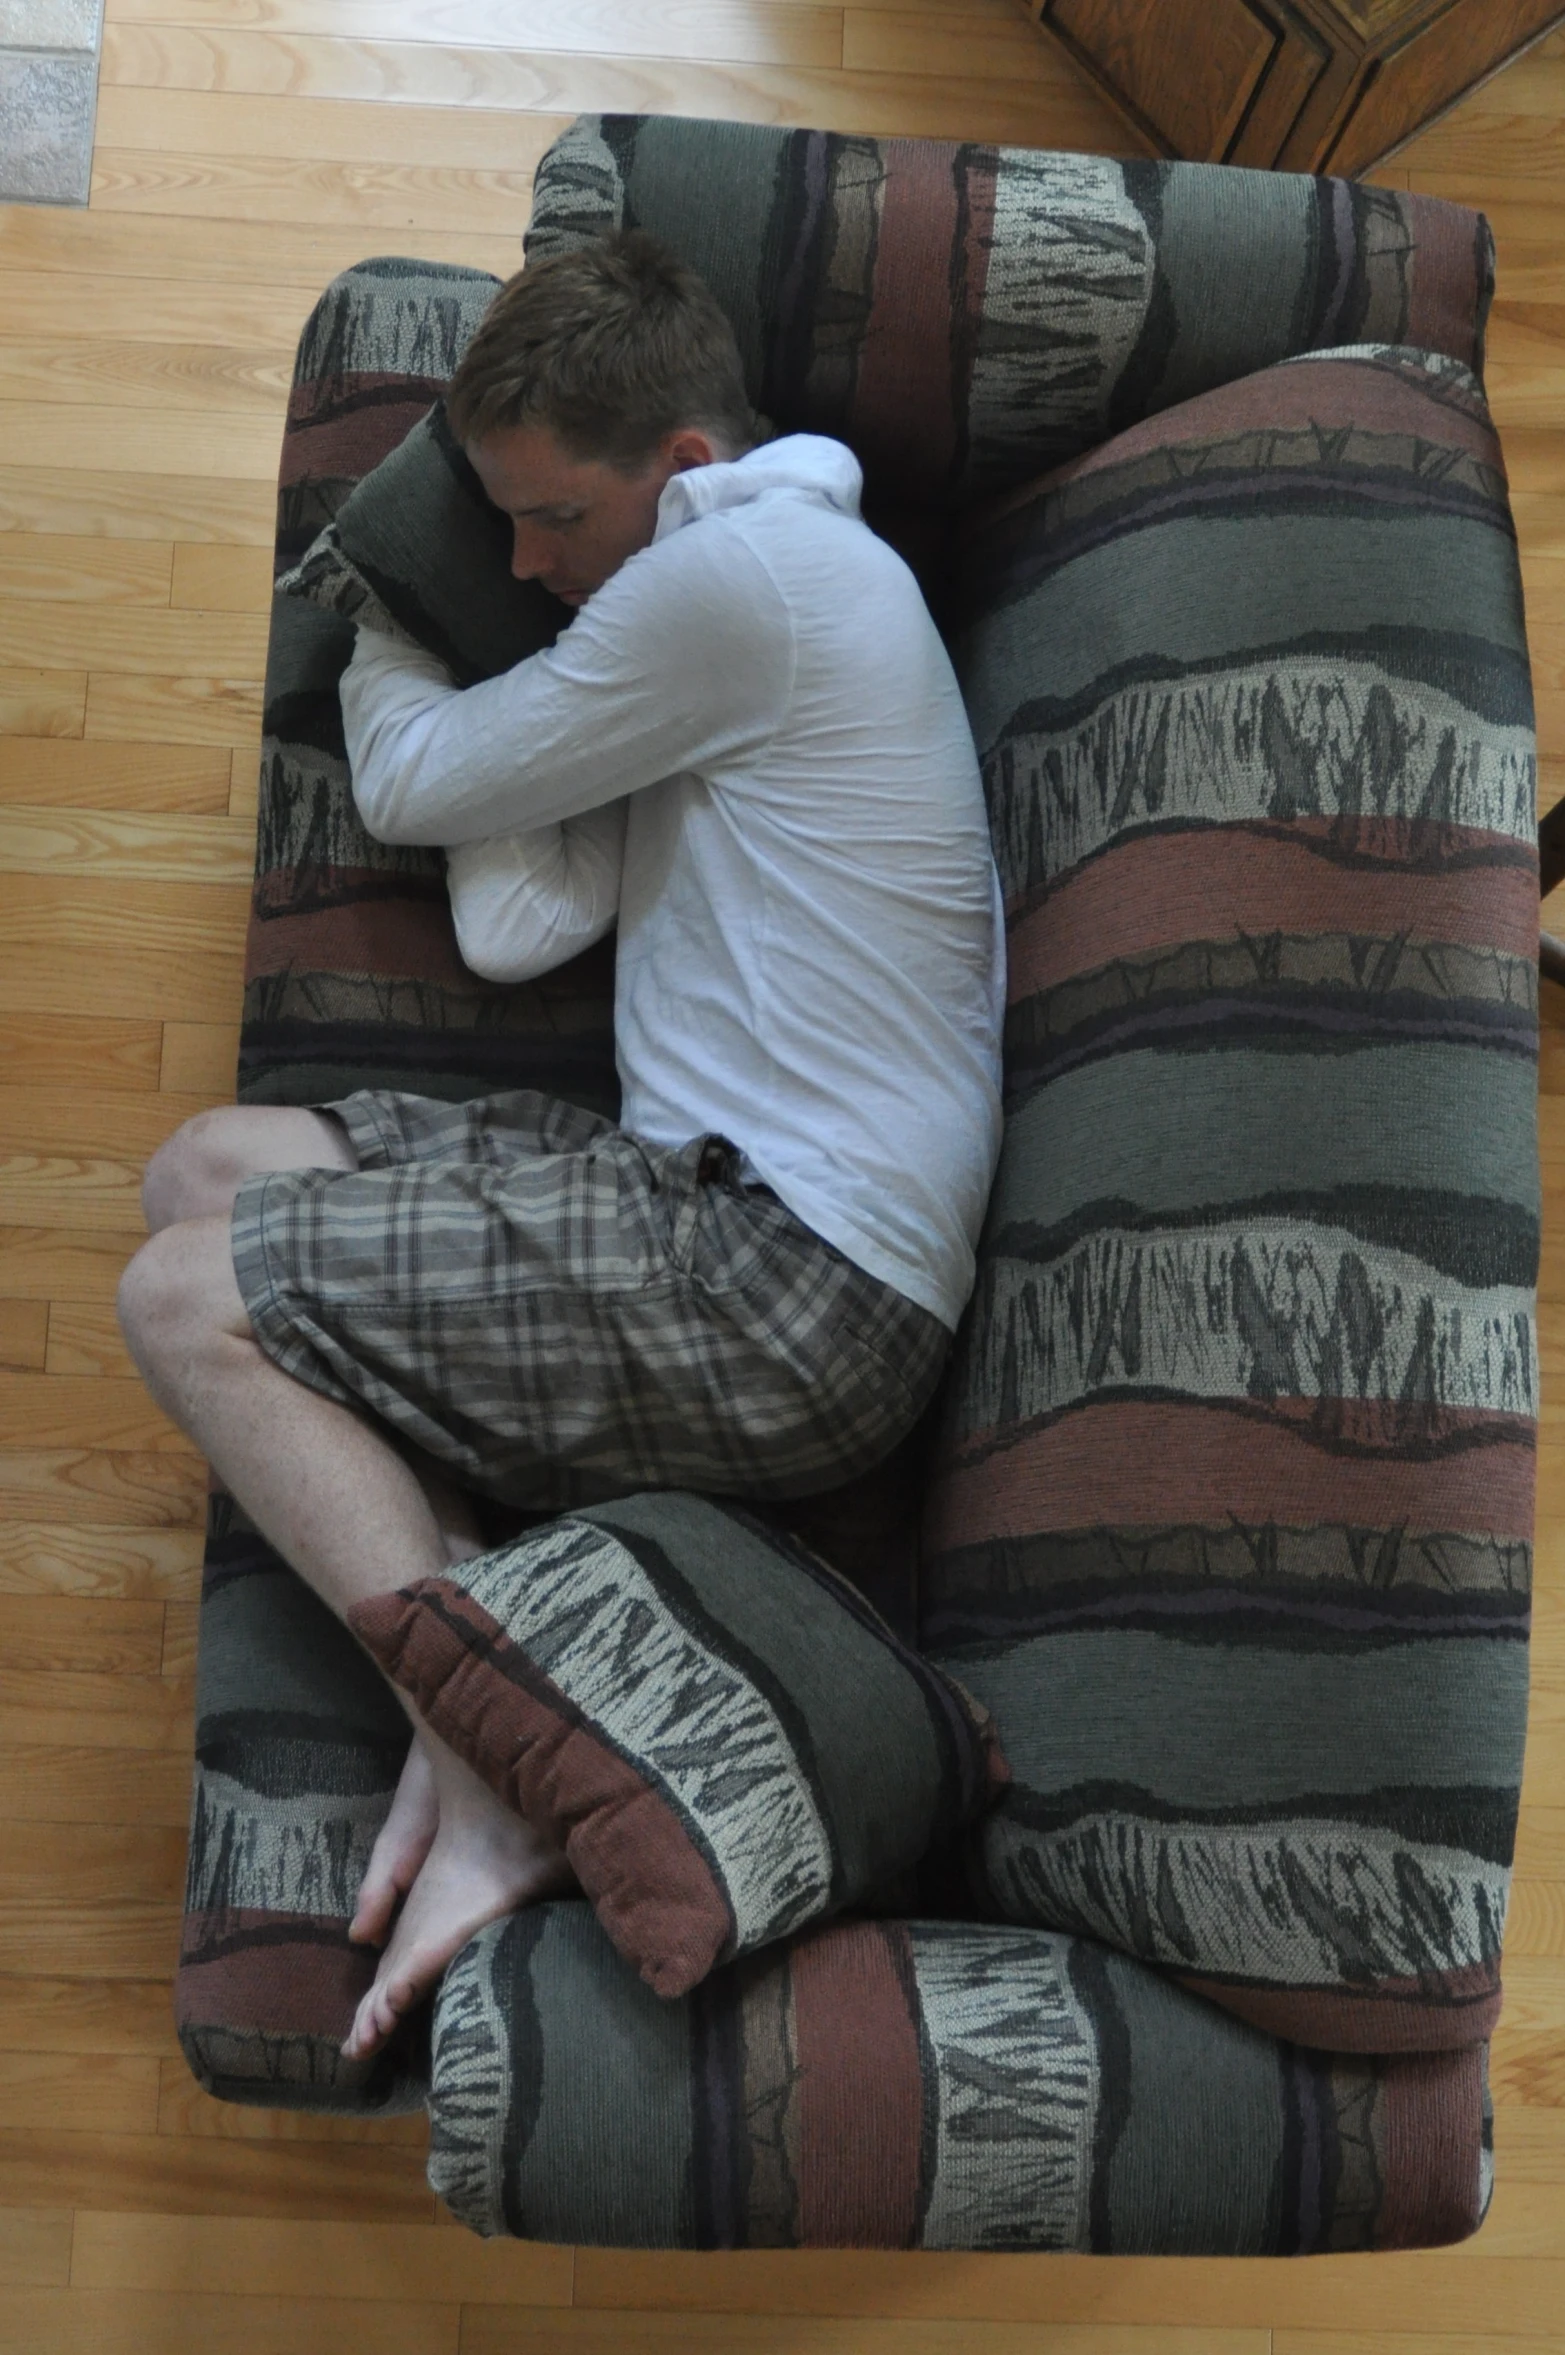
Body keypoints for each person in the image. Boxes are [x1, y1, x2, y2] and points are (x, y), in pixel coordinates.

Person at [117, 231, 1005, 2062]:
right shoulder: (715, 593)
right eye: (499, 527)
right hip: (690, 1203)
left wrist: (376, 612)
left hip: (787, 1280)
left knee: (178, 1297)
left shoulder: (752, 583)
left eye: (549, 522)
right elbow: (523, 919)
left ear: (676, 467)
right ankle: (490, 1700)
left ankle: (491, 1741)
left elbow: (420, 784)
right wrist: (484, 647)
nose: (523, 563)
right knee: (207, 1170)